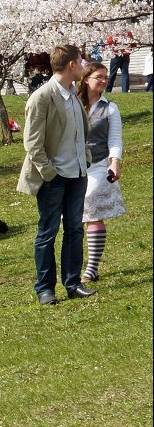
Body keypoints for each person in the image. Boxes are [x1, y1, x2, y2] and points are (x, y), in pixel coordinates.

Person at [17, 44, 95, 305]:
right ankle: (45, 289)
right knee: (47, 232)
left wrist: (85, 159)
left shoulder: (73, 94)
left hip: (77, 174)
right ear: (71, 65)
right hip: (53, 178)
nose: (84, 65)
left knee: (74, 230)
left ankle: (73, 283)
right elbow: (32, 143)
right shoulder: (42, 97)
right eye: (81, 61)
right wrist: (49, 173)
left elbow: (79, 133)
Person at [76, 62, 126, 283]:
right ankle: (81, 265)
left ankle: (91, 267)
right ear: (86, 79)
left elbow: (115, 139)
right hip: (74, 166)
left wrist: (114, 162)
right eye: (99, 77)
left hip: (99, 164)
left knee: (91, 202)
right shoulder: (74, 104)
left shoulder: (110, 108)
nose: (104, 81)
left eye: (106, 77)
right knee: (76, 216)